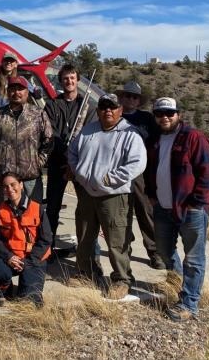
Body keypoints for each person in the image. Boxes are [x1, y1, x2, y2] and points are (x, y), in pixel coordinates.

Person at [144, 97, 209, 322]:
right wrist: (153, 197)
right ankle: (179, 283)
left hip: (191, 210)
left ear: (178, 114)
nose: (164, 117)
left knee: (194, 258)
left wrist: (195, 202)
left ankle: (189, 303)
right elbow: (150, 172)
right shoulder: (156, 140)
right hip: (163, 209)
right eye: (159, 113)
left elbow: (208, 174)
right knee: (164, 252)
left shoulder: (193, 137)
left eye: (169, 113)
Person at [67, 93, 146, 299]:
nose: (107, 110)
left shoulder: (130, 133)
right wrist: (79, 173)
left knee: (117, 239)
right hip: (87, 193)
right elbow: (72, 153)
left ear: (120, 110)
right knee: (84, 235)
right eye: (103, 106)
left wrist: (112, 179)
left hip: (114, 195)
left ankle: (122, 279)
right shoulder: (88, 130)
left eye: (112, 107)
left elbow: (137, 163)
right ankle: (87, 273)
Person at [44, 63, 95, 255]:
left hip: (80, 165)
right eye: (65, 78)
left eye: (72, 78)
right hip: (58, 163)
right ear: (61, 81)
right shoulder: (52, 105)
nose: (69, 81)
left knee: (85, 210)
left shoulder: (88, 106)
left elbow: (88, 133)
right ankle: (47, 249)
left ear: (78, 80)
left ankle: (86, 251)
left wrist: (73, 160)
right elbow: (51, 132)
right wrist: (64, 156)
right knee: (52, 207)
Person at [117, 80, 165, 270]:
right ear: (121, 97)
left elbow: (157, 142)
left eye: (134, 96)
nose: (130, 99)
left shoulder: (147, 119)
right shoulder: (114, 115)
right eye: (127, 95)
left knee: (146, 212)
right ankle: (124, 250)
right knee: (121, 214)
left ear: (139, 101)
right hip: (118, 170)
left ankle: (155, 252)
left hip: (141, 172)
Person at [0, 76, 53, 202]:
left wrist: (39, 162)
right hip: (6, 178)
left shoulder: (38, 114)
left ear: (27, 92)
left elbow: (48, 139)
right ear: (8, 92)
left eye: (20, 89)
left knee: (33, 215)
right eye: (13, 89)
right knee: (6, 216)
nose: (17, 93)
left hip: (30, 178)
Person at [0, 172, 52, 307]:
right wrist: (8, 257)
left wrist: (29, 261)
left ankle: (27, 286)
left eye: (13, 185)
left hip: (32, 259)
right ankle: (5, 288)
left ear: (21, 185)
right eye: (5, 187)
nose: (10, 189)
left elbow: (45, 240)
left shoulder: (37, 208)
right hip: (11, 258)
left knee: (29, 303)